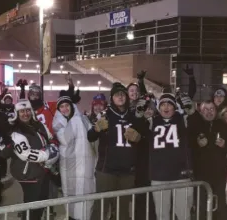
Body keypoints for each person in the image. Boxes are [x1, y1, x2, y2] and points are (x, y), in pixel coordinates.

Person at [136, 93, 197, 220]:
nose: (166, 107)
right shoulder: (152, 121)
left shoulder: (183, 120)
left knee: (183, 214)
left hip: (181, 175)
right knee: (162, 214)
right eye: (163, 104)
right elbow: (136, 131)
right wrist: (139, 114)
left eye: (170, 104)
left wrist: (192, 112)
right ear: (158, 107)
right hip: (159, 176)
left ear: (175, 107)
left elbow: (198, 127)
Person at [88, 82, 143, 220]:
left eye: (122, 94)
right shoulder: (105, 115)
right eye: (116, 94)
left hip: (127, 171)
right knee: (101, 208)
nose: (120, 96)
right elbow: (90, 137)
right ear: (111, 98)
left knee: (123, 210)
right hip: (107, 170)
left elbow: (143, 139)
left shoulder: (133, 116)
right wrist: (96, 129)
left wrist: (139, 138)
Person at [8, 99, 59, 220]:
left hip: (43, 173)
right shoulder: (16, 131)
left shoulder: (39, 125)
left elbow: (51, 138)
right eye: (21, 111)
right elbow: (25, 154)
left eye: (27, 110)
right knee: (31, 208)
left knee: (41, 205)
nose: (25, 114)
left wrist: (53, 148)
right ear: (16, 113)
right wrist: (47, 155)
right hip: (28, 175)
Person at [53, 91, 96, 220]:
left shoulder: (82, 119)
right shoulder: (58, 124)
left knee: (86, 194)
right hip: (69, 166)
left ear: (72, 106)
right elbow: (65, 139)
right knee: (71, 195)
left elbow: (92, 136)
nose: (65, 109)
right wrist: (75, 121)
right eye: (62, 107)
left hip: (85, 165)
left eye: (67, 105)